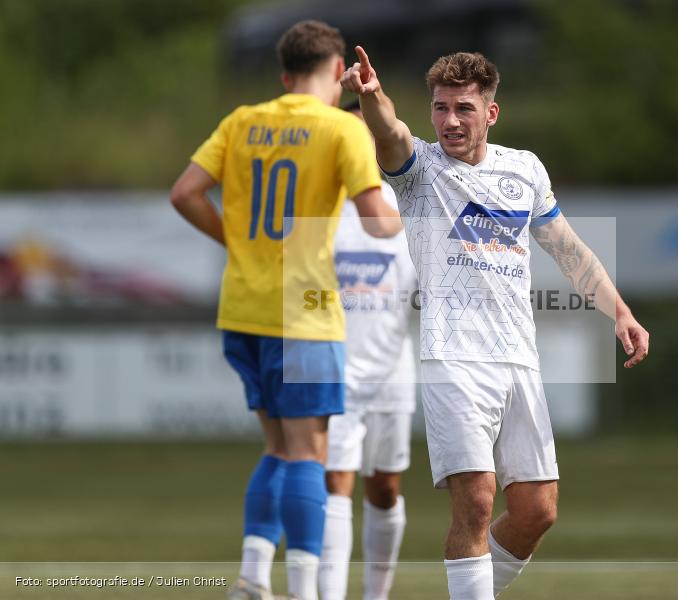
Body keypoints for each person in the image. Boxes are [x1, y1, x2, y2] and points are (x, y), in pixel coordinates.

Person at [341, 47, 649, 598]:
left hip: (518, 359)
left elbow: (567, 248)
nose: (450, 121)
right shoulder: (420, 171)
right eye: (440, 108)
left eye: (463, 108)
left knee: (536, 510)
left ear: (491, 112)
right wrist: (372, 97)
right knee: (478, 498)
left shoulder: (524, 169)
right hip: (453, 357)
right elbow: (389, 134)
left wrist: (619, 310)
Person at [169, 21, 402, 600]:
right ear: (336, 70)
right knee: (308, 454)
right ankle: (301, 590)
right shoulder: (339, 129)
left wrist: (235, 241)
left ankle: (252, 576)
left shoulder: (243, 120)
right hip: (305, 312)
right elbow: (378, 222)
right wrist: (403, 217)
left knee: (276, 447)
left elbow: (184, 193)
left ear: (283, 74)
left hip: (242, 309)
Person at [317, 101, 418, 600]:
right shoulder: (324, 208)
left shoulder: (406, 206)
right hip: (334, 369)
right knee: (333, 482)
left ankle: (376, 595)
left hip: (391, 372)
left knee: (384, 488)